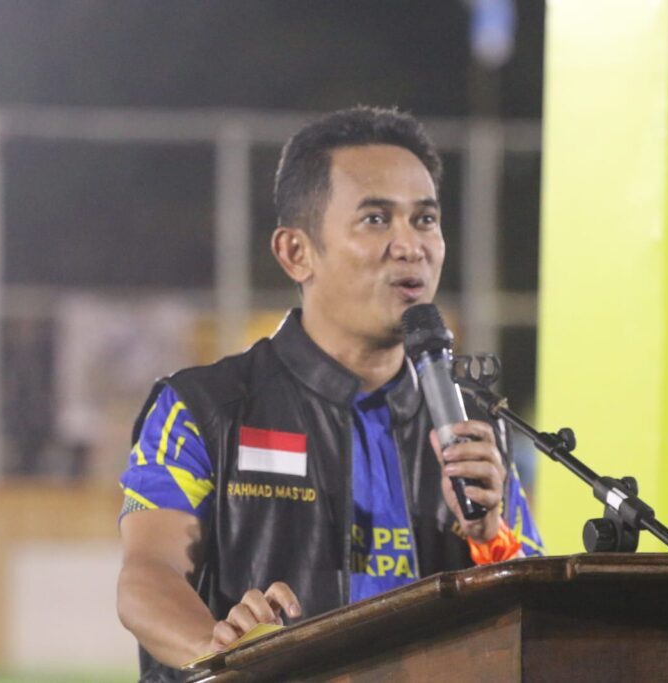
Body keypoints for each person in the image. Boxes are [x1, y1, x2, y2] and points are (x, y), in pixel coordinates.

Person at [116, 106, 544, 681]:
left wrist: (490, 538)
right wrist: (225, 654)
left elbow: (527, 613)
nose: (410, 245)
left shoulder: (473, 428)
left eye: (425, 219)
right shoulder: (204, 409)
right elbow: (147, 577)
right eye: (376, 219)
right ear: (296, 252)